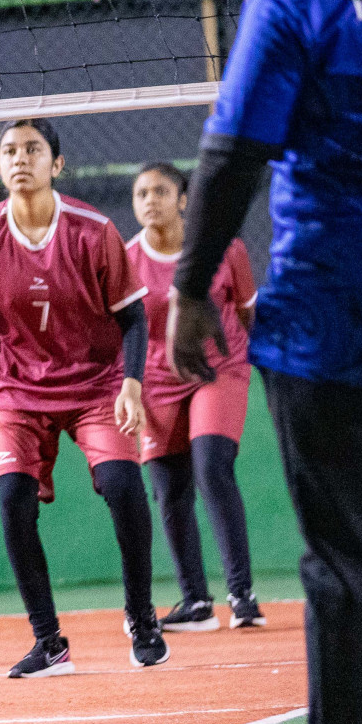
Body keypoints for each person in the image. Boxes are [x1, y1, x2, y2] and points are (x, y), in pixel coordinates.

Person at [167, 0, 362, 724]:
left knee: (347, 560)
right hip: (332, 322)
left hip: (332, 321)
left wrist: (188, 286)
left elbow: (232, 155)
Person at [0, 119, 168, 677]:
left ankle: (141, 615)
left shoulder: (94, 230)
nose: (21, 159)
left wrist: (132, 386)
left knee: (122, 486)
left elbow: (133, 318)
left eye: (34, 150)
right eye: (10, 151)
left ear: (57, 164)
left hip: (95, 384)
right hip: (16, 390)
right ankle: (49, 641)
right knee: (12, 498)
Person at [126, 163, 264, 632]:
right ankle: (195, 601)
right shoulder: (125, 260)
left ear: (184, 199)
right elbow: (119, 334)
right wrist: (126, 389)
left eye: (161, 191)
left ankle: (242, 595)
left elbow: (248, 314)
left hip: (218, 369)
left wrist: (269, 372)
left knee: (211, 466)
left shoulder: (225, 250)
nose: (150, 200)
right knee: (167, 489)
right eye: (141, 193)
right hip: (157, 381)